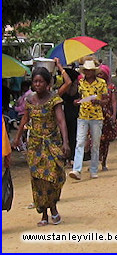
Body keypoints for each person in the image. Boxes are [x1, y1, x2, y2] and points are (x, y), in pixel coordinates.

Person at [12, 67, 70, 226]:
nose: (37, 84)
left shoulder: (54, 100)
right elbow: (25, 120)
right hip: (35, 145)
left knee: (54, 177)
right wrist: (17, 138)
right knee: (38, 179)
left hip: (52, 143)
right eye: (35, 81)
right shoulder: (29, 100)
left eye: (41, 82)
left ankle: (53, 206)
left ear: (48, 83)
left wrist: (65, 142)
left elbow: (61, 121)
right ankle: (45, 213)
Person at [68, 59, 107, 180]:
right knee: (80, 142)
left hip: (96, 117)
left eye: (90, 70)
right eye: (86, 70)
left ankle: (94, 169)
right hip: (83, 116)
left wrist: (99, 101)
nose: (88, 72)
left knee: (95, 144)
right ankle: (77, 170)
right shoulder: (81, 83)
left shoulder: (101, 83)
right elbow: (79, 97)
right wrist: (77, 102)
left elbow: (106, 100)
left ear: (94, 71)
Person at [96, 65, 117, 171]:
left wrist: (114, 115)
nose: (100, 76)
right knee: (94, 140)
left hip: (106, 116)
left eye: (102, 74)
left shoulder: (111, 87)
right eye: (98, 74)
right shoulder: (94, 86)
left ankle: (104, 162)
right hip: (95, 115)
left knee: (105, 141)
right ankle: (95, 161)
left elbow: (113, 101)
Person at [60, 68, 81, 165]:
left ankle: (71, 157)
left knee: (73, 135)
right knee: (66, 135)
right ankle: (66, 157)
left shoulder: (78, 88)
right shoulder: (64, 88)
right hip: (65, 114)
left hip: (74, 114)